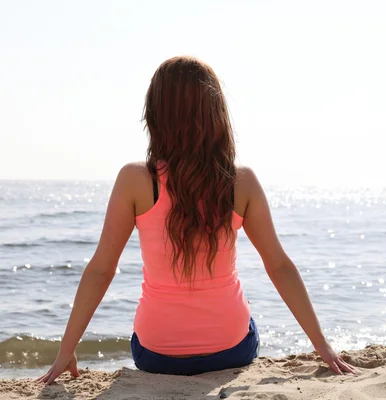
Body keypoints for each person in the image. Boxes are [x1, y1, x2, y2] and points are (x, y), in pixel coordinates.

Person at [37, 56, 356, 384]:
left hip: (156, 354)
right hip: (231, 350)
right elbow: (279, 266)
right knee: (246, 320)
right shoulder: (239, 181)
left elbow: (102, 269)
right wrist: (323, 347)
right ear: (215, 113)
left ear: (155, 113)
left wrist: (67, 348)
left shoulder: (135, 180)